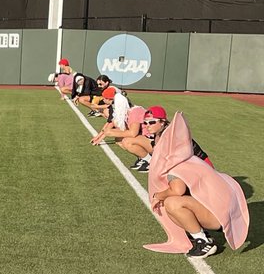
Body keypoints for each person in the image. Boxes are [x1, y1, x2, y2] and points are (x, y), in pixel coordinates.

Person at [144, 110, 249, 258]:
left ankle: (204, 241)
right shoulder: (185, 157)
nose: (147, 126)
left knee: (172, 203)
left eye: (152, 122)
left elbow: (177, 190)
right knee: (172, 201)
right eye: (146, 123)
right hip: (218, 210)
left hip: (217, 216)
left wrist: (158, 195)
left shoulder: (176, 164)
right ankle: (199, 233)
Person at [91, 99, 153, 172]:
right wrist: (101, 136)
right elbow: (112, 125)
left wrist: (111, 133)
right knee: (119, 139)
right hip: (148, 138)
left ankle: (150, 161)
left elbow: (133, 133)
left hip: (154, 140)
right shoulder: (128, 112)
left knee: (127, 141)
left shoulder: (135, 111)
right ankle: (143, 157)